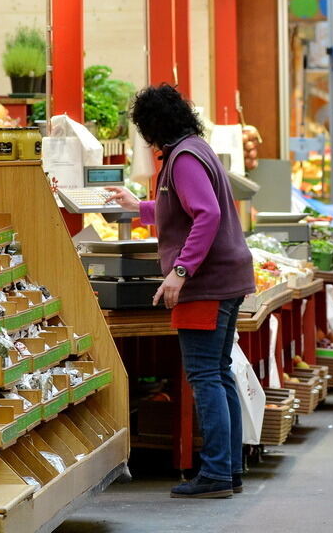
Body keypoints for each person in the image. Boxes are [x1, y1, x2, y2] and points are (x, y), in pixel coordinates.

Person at [106, 84, 254, 498]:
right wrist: (140, 207)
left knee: (206, 375)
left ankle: (215, 476)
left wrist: (181, 271)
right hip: (226, 278)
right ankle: (228, 470)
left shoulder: (183, 159)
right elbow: (184, 208)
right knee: (218, 373)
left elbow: (206, 214)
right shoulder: (193, 149)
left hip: (206, 284)